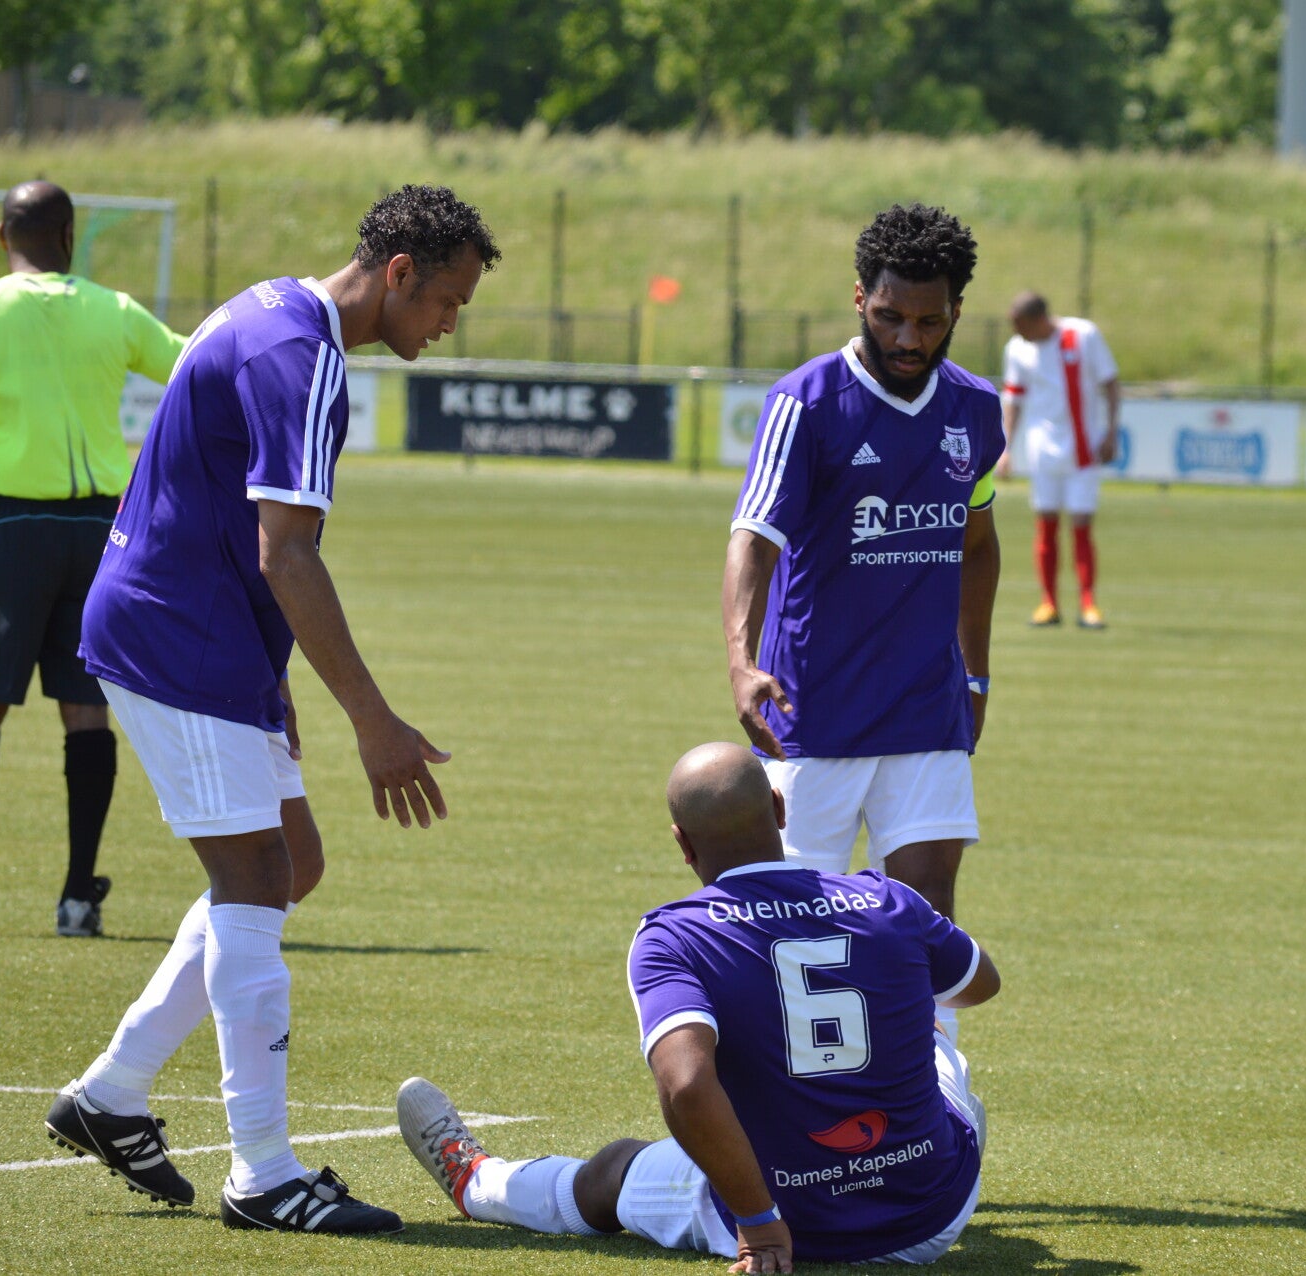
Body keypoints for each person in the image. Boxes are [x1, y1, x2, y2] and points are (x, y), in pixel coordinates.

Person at [41, 185, 499, 1235]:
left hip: (196, 627)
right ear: (397, 273)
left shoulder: (269, 309)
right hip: (176, 633)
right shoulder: (304, 355)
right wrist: (373, 721)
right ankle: (264, 1173)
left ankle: (111, 1091)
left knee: (288, 862)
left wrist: (271, 673)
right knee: (250, 878)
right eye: (447, 300)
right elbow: (285, 552)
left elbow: (214, 501)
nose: (448, 323)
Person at [397, 741, 1001, 1271]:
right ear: (780, 809)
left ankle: (478, 1182)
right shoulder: (885, 897)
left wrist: (759, 1222)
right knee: (930, 1036)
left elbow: (686, 1086)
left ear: (682, 842)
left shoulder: (673, 935)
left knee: (613, 1171)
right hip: (933, 1219)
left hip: (792, 1225)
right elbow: (979, 985)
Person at [720, 204, 1003, 1028]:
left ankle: (933, 1080)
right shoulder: (805, 403)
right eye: (889, 317)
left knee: (926, 910)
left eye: (929, 321)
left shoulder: (975, 410)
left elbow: (977, 545)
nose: (908, 339)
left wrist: (976, 674)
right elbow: (752, 539)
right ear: (857, 299)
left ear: (956, 311)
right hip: (810, 714)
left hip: (926, 709)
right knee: (786, 921)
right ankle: (784, 1086)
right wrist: (741, 660)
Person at [0, 180, 185, 939]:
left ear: (4, 236)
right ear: (70, 236)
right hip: (101, 531)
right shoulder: (114, 310)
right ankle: (77, 901)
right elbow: (191, 367)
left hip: (9, 525)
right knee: (86, 707)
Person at [998, 291, 1120, 629]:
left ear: (1038, 320)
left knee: (1081, 523)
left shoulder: (1083, 335)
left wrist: (1111, 432)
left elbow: (1110, 383)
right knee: (1046, 523)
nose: (1016, 332)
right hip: (1042, 451)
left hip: (1084, 449)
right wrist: (1006, 448)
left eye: (1020, 325)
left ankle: (1088, 605)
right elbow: (1013, 400)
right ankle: (1048, 604)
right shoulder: (1017, 349)